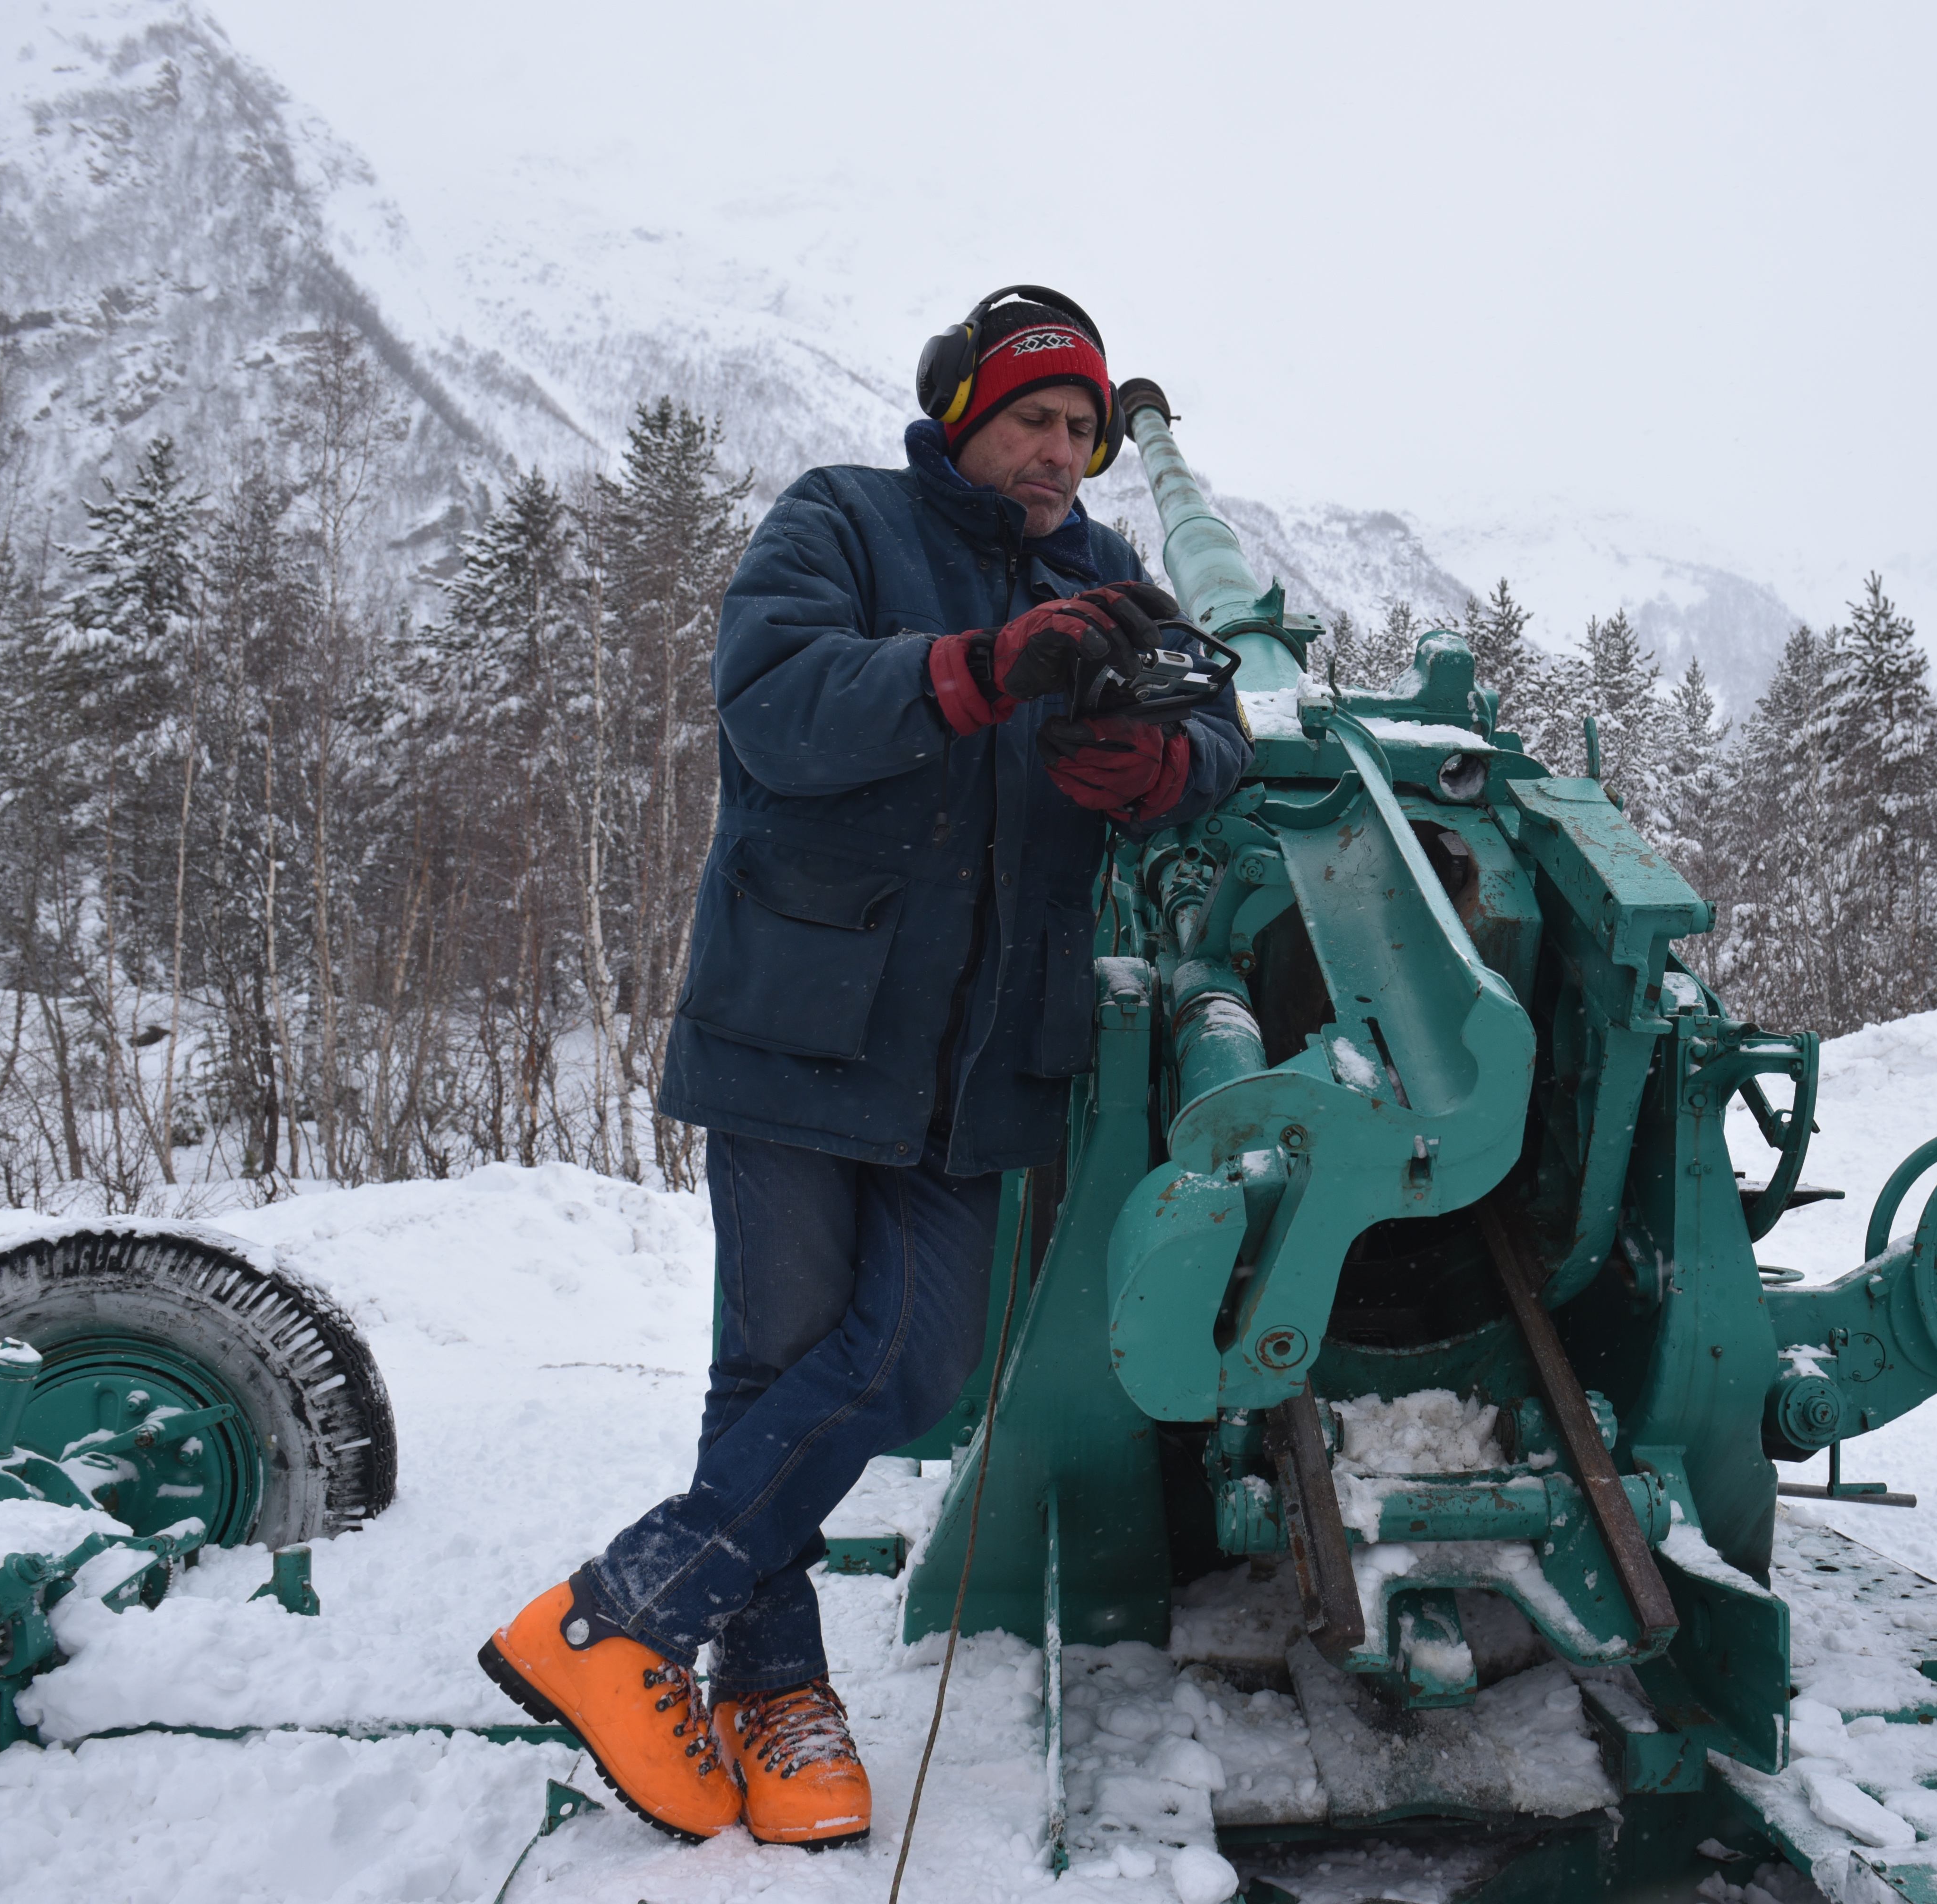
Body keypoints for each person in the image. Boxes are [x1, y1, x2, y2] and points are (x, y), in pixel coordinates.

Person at [478, 287, 1249, 1850]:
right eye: (1032, 419)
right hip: (803, 1019)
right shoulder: (840, 520)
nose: (1059, 452)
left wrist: (1161, 767)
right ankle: (775, 1694)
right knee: (775, 1365)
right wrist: (980, 668)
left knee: (914, 1360)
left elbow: (1220, 733)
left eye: (1081, 430)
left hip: (987, 1054)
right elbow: (776, 708)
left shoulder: (1109, 576)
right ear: (961, 412)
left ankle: (621, 1612)